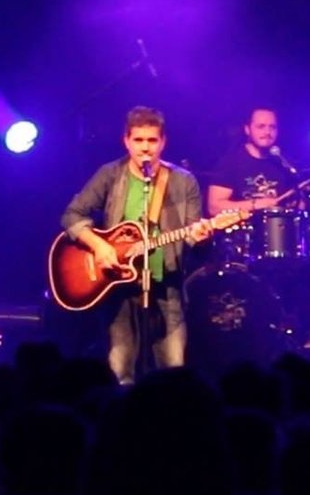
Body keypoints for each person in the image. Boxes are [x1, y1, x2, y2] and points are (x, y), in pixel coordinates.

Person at [61, 107, 212, 383]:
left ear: (163, 142)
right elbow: (72, 215)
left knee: (173, 373)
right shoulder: (110, 174)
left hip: (166, 286)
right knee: (120, 371)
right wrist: (99, 246)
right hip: (118, 289)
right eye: (138, 140)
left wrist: (202, 236)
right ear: (126, 141)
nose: (145, 148)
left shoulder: (183, 181)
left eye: (152, 140)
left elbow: (192, 236)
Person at [205, 109, 306, 215]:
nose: (267, 132)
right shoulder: (230, 163)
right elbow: (214, 207)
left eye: (272, 127)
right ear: (247, 130)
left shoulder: (282, 163)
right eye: (261, 127)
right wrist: (255, 204)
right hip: (244, 225)